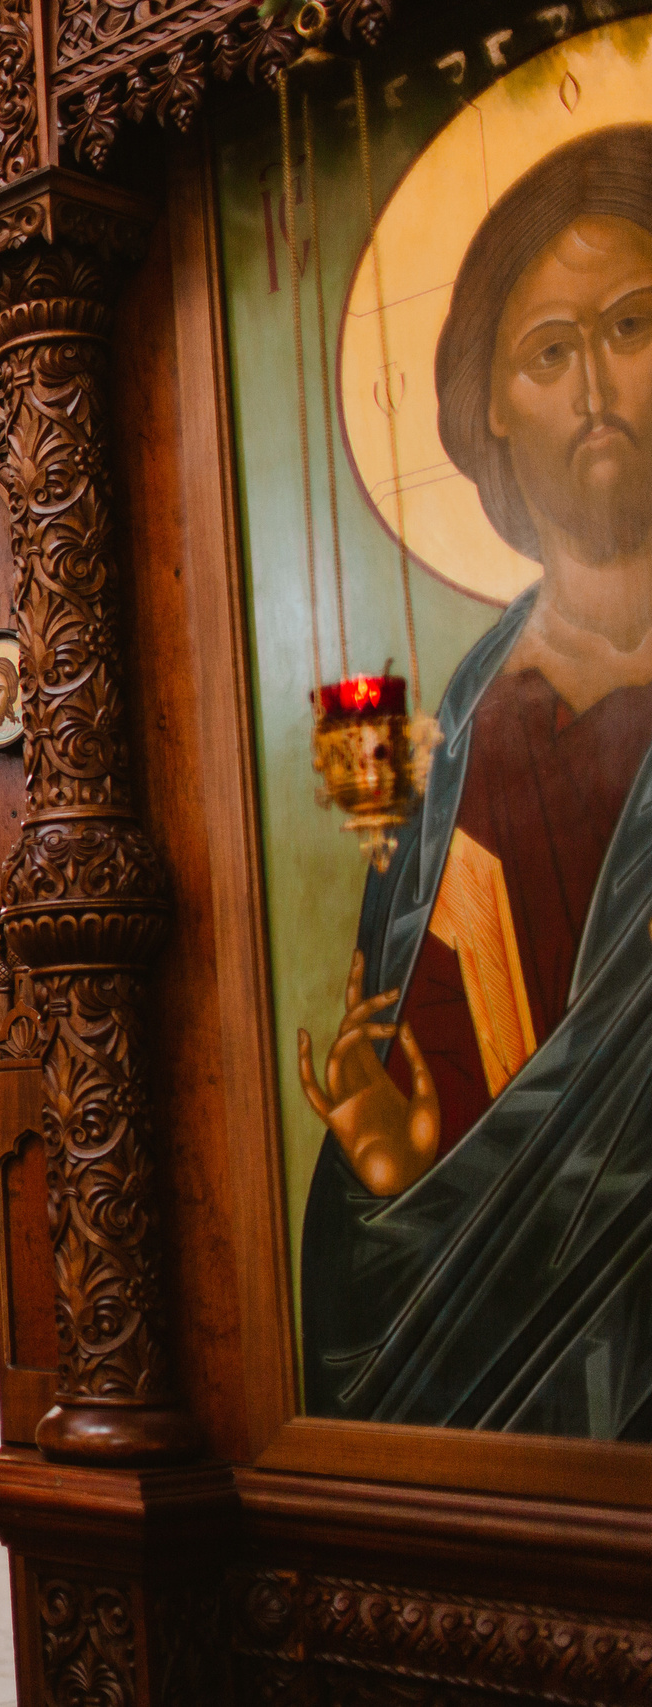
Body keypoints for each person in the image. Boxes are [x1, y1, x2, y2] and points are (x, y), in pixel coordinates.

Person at [299, 123, 652, 1439]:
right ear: (494, 402)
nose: (597, 386)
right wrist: (396, 1172)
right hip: (520, 1371)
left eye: (632, 324)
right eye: (549, 351)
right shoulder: (462, 745)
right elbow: (437, 1102)